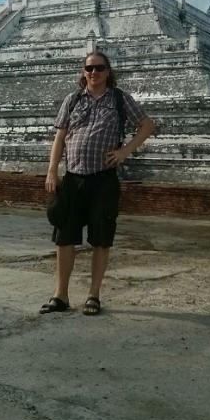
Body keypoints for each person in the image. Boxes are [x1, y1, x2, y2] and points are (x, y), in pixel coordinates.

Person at [41, 51, 155, 316]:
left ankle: (93, 295)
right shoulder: (73, 100)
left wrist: (125, 152)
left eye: (99, 68)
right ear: (84, 72)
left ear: (108, 72)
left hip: (103, 179)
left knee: (101, 239)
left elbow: (147, 125)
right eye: (89, 68)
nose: (94, 73)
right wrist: (51, 171)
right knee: (64, 237)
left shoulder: (119, 98)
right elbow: (60, 138)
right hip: (73, 177)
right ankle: (61, 295)